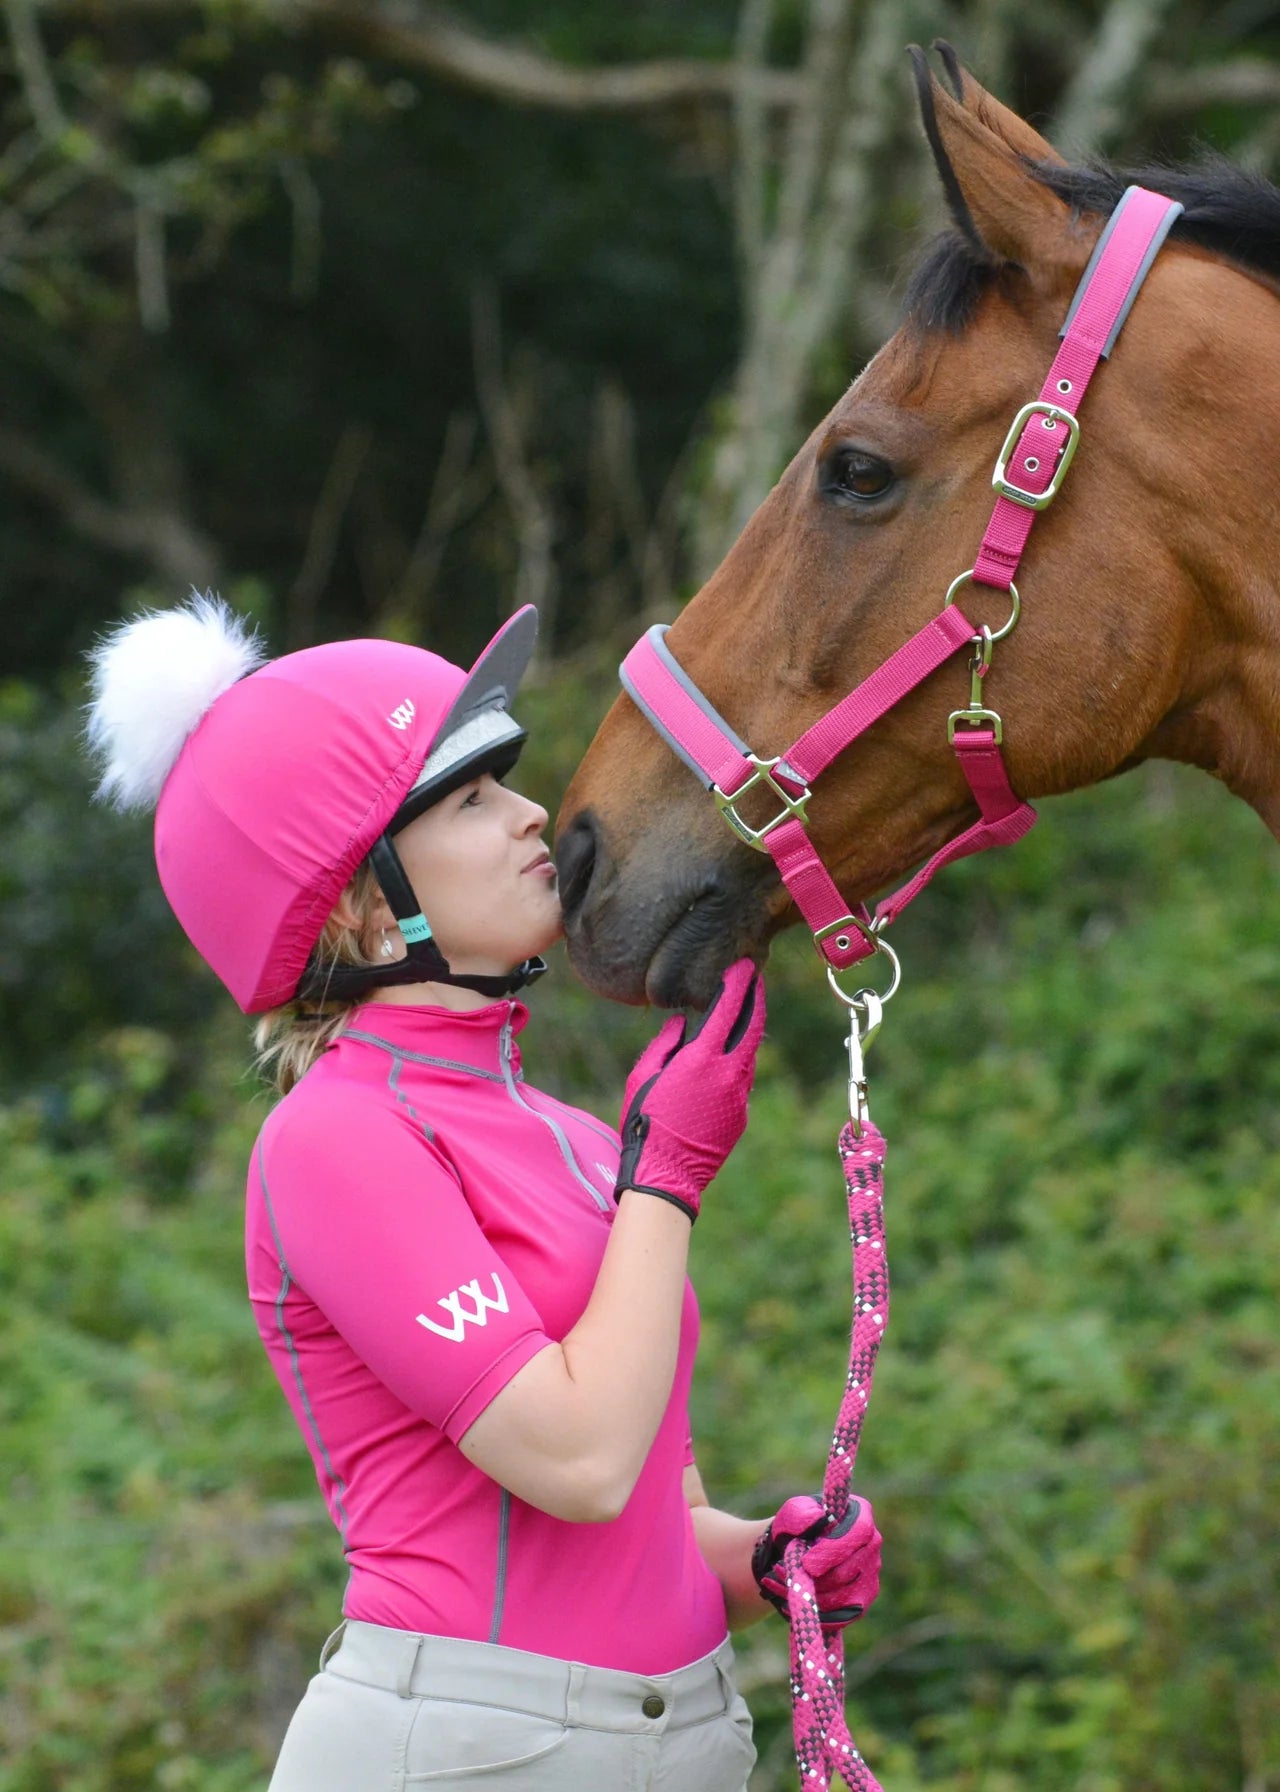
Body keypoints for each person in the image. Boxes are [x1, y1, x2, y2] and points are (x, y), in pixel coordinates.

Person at [85, 594, 882, 1791]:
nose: (529, 816)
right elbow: (575, 1461)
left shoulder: (561, 1132)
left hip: (676, 1736)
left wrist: (757, 1560)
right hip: (466, 1751)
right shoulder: (335, 1139)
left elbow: (649, 1511)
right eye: (468, 799)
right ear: (359, 903)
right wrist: (664, 1179)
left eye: (503, 781)